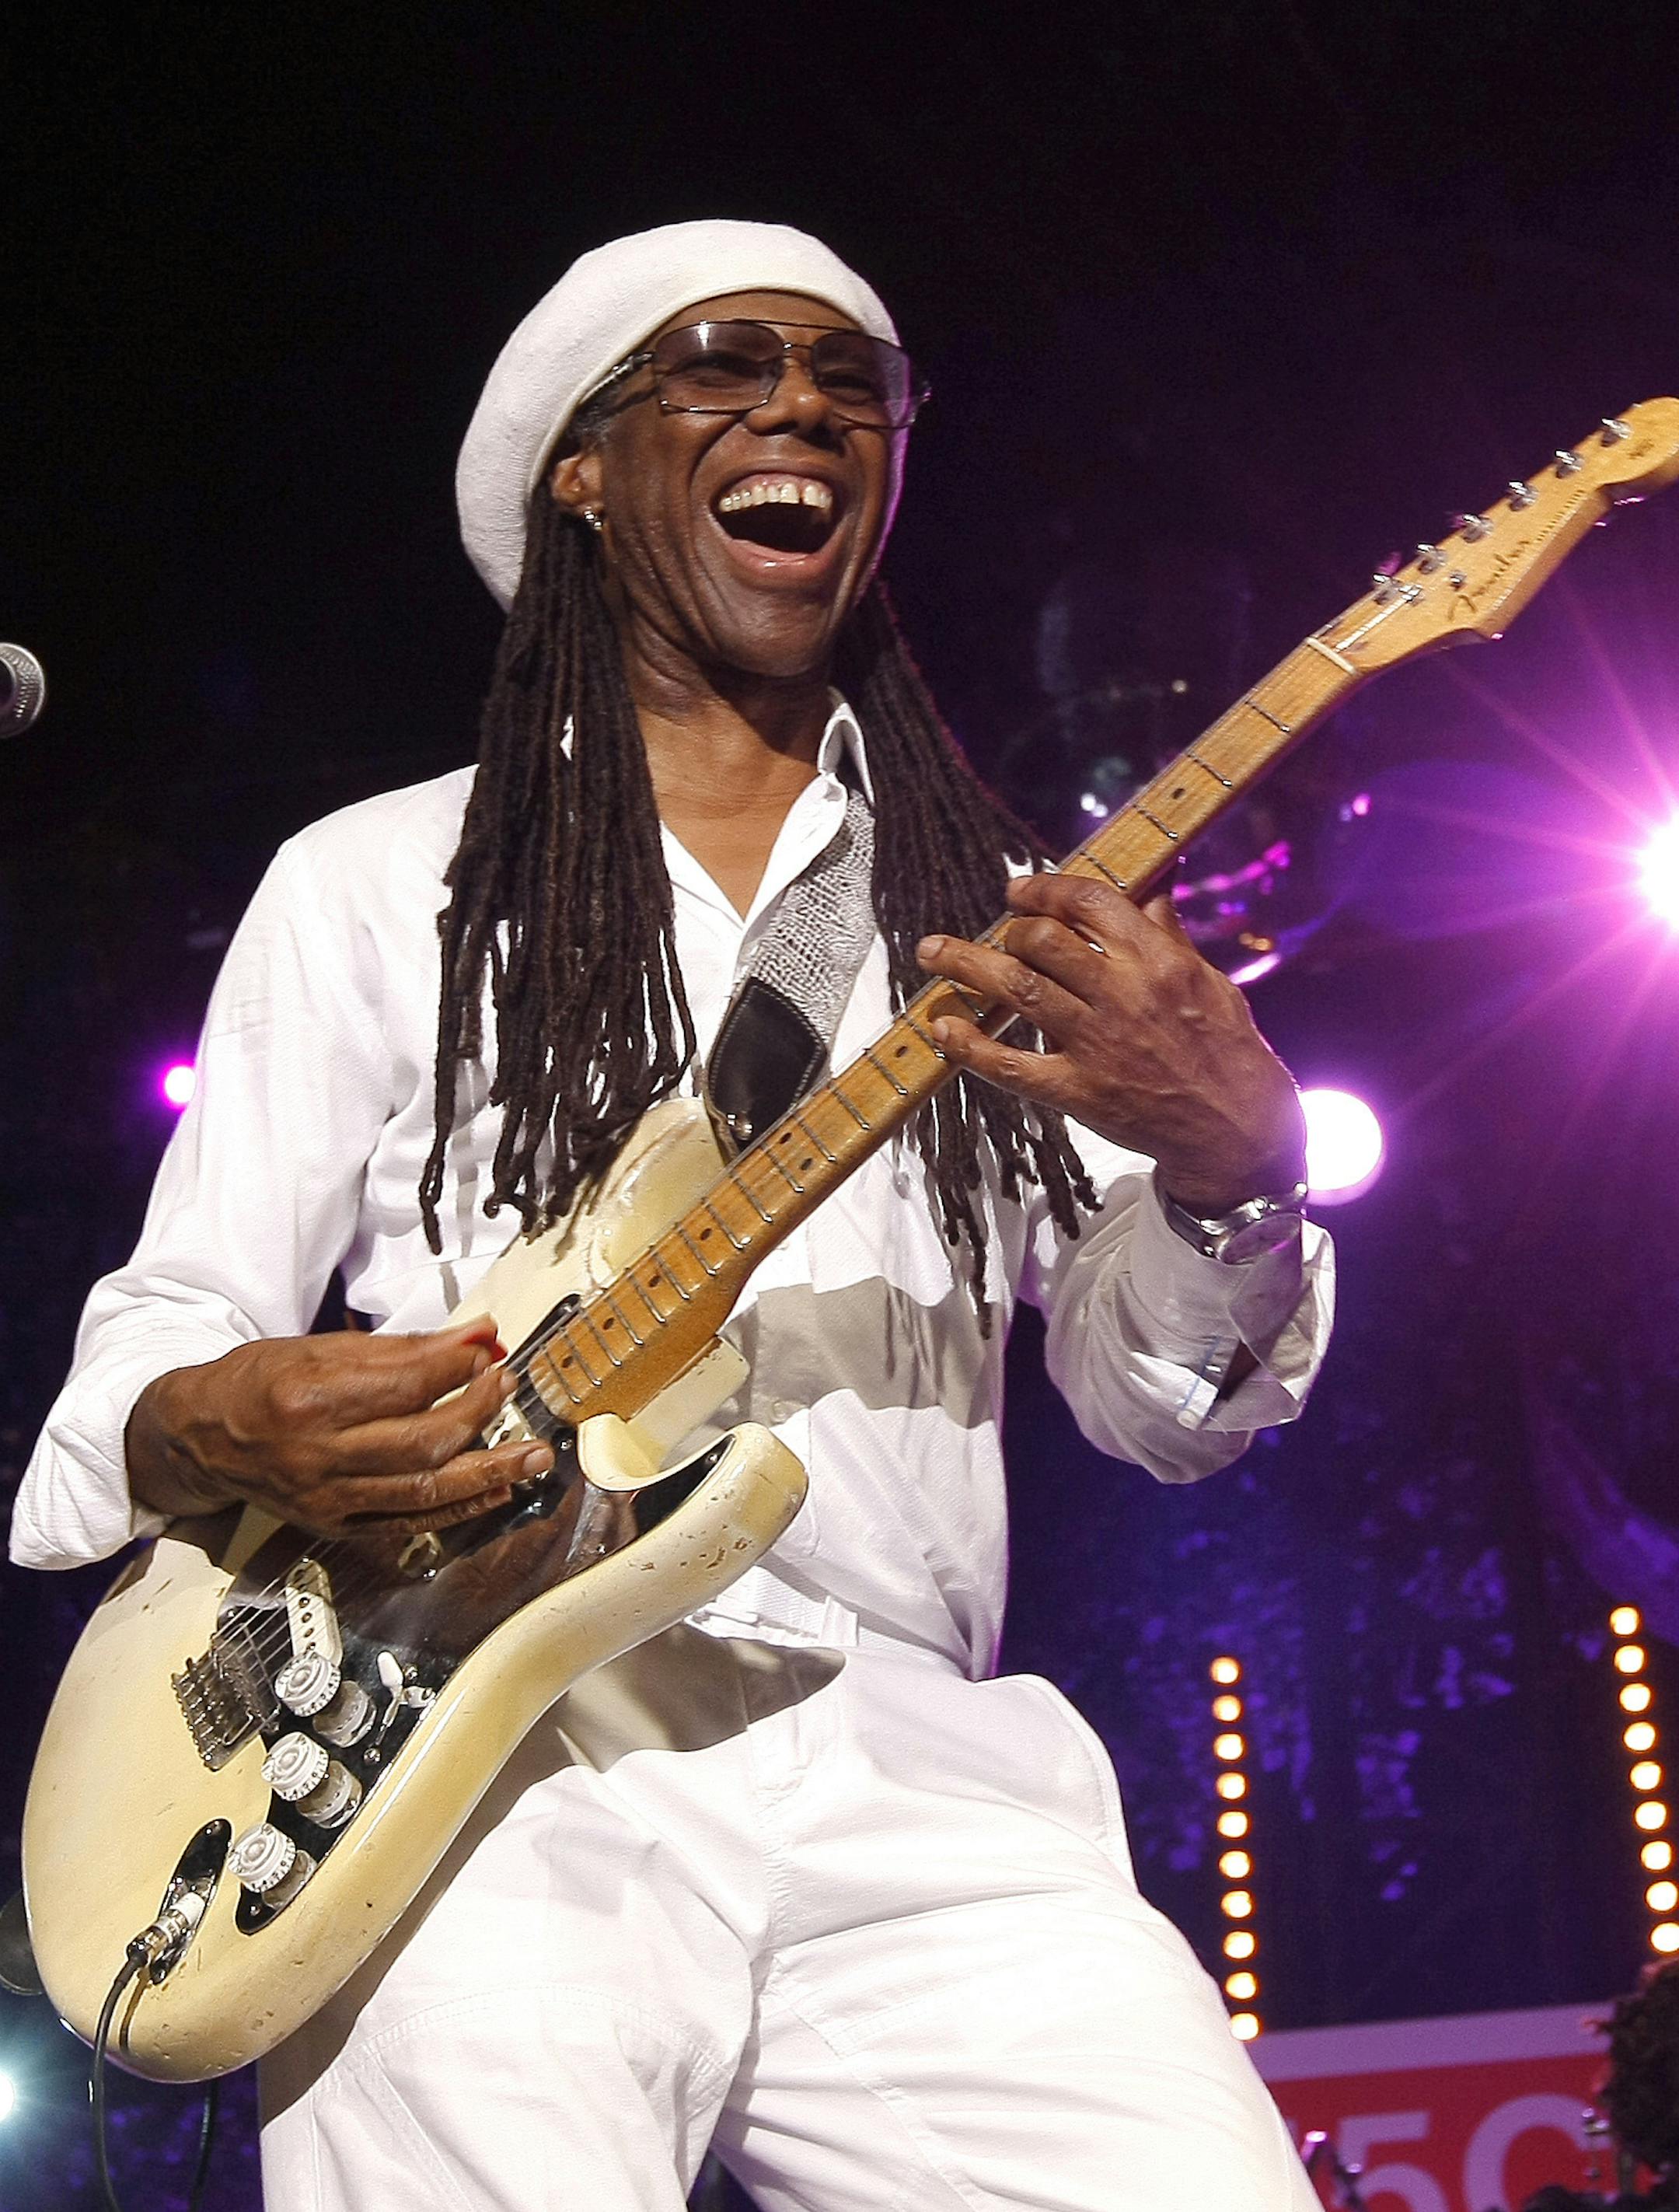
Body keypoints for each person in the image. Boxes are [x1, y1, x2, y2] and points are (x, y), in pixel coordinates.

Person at [13, 220, 1334, 2211]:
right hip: (468, 1776)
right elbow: (167, 1320)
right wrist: (204, 1420)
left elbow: (1156, 1411)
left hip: (916, 1768)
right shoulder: (379, 884)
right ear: (580, 465)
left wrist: (1239, 1173)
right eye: (729, 363)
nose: (803, 405)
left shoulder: (992, 923)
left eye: (853, 384)